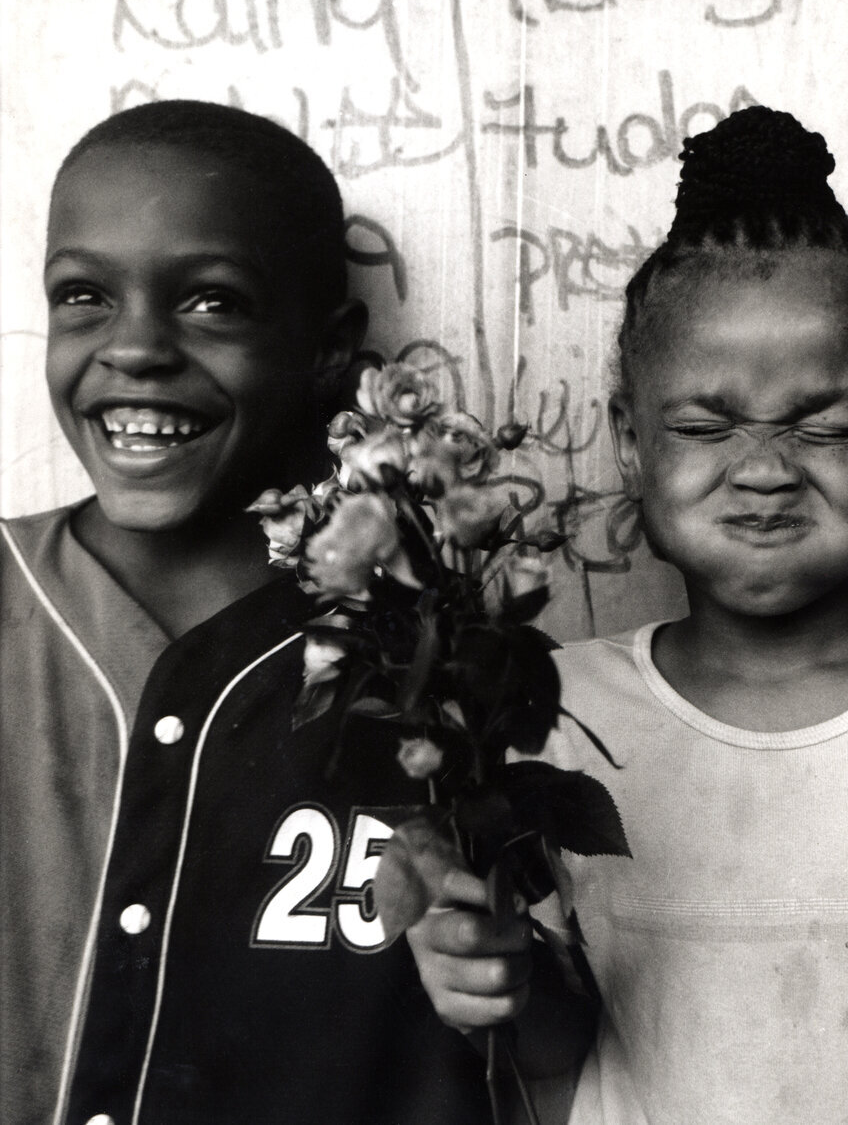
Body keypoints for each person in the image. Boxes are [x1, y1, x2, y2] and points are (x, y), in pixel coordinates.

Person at [408, 106, 848, 1123]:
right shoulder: (550, 714)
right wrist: (481, 966)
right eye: (702, 424)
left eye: (827, 424)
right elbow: (559, 1043)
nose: (765, 469)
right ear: (632, 448)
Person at [0, 99, 504, 1125]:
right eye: (84, 295)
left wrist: (494, 968)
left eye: (211, 302)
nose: (134, 347)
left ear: (330, 353)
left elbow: (520, 1021)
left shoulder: (417, 646)